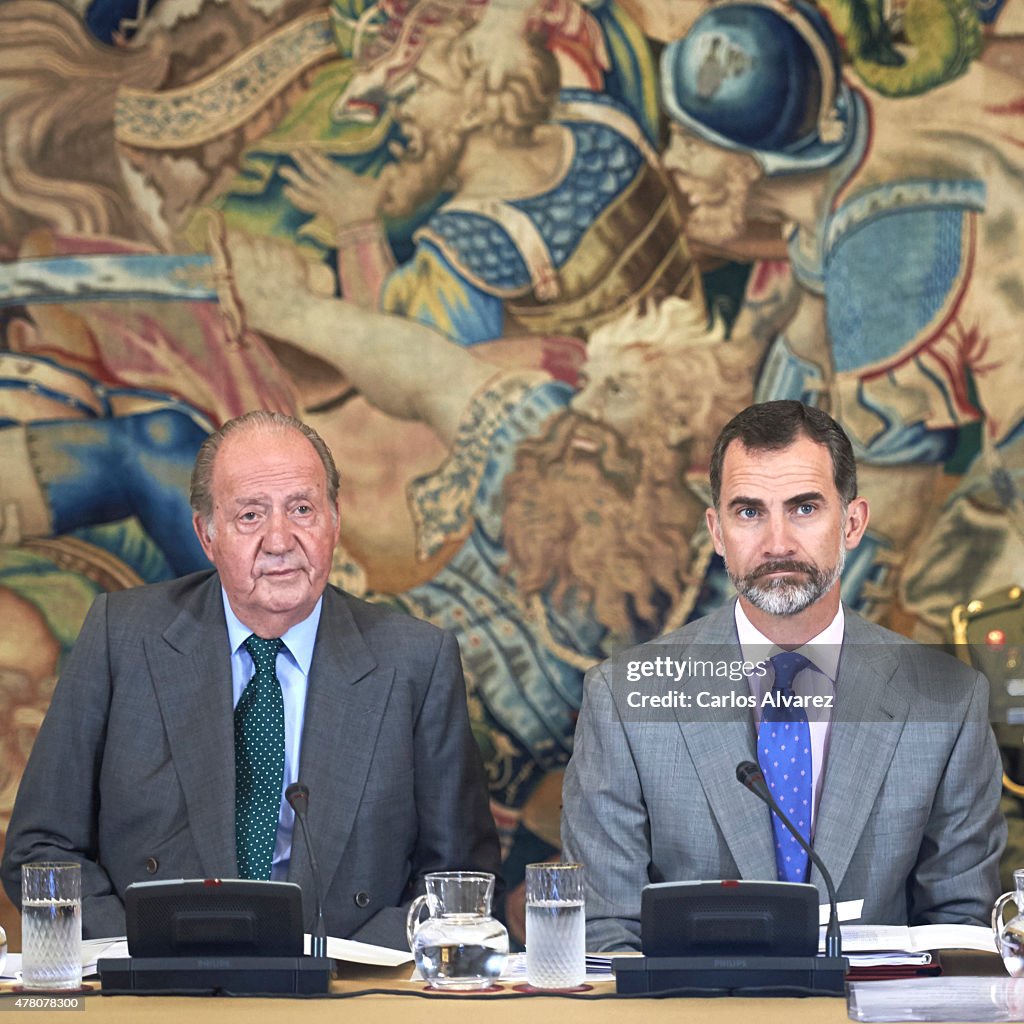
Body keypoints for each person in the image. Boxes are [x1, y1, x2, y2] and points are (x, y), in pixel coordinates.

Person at [0, 410, 500, 947]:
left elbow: (459, 882)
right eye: (250, 516)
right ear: (206, 535)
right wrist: (142, 945)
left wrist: (356, 957)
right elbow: (40, 850)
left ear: (335, 520)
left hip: (344, 985)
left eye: (302, 510)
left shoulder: (415, 661)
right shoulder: (121, 638)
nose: (280, 540)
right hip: (160, 986)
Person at [561, 399, 1006, 952]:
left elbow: (959, 929)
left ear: (852, 522)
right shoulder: (624, 698)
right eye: (748, 511)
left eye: (804, 508)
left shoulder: (948, 700)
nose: (776, 542)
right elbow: (608, 932)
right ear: (717, 532)